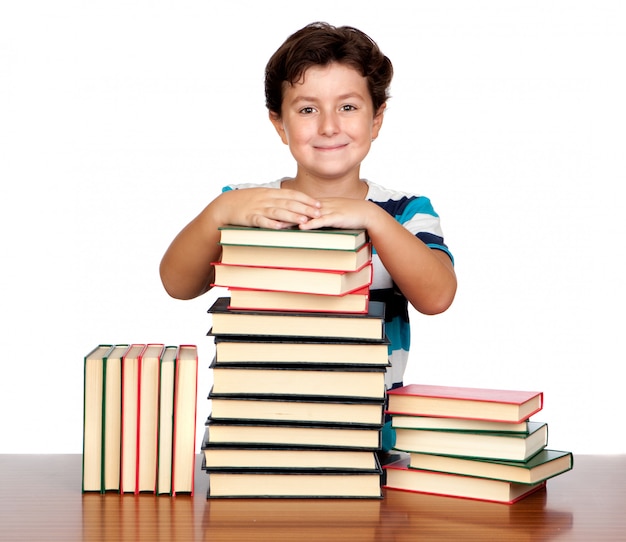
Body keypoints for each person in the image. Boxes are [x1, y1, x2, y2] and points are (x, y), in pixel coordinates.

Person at [160, 22, 457, 452]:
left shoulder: (406, 212)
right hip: (253, 432)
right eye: (307, 110)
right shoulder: (245, 205)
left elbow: (438, 297)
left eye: (349, 107)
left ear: (377, 120)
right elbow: (177, 284)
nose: (330, 126)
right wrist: (217, 214)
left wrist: (373, 219)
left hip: (366, 437)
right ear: (279, 125)